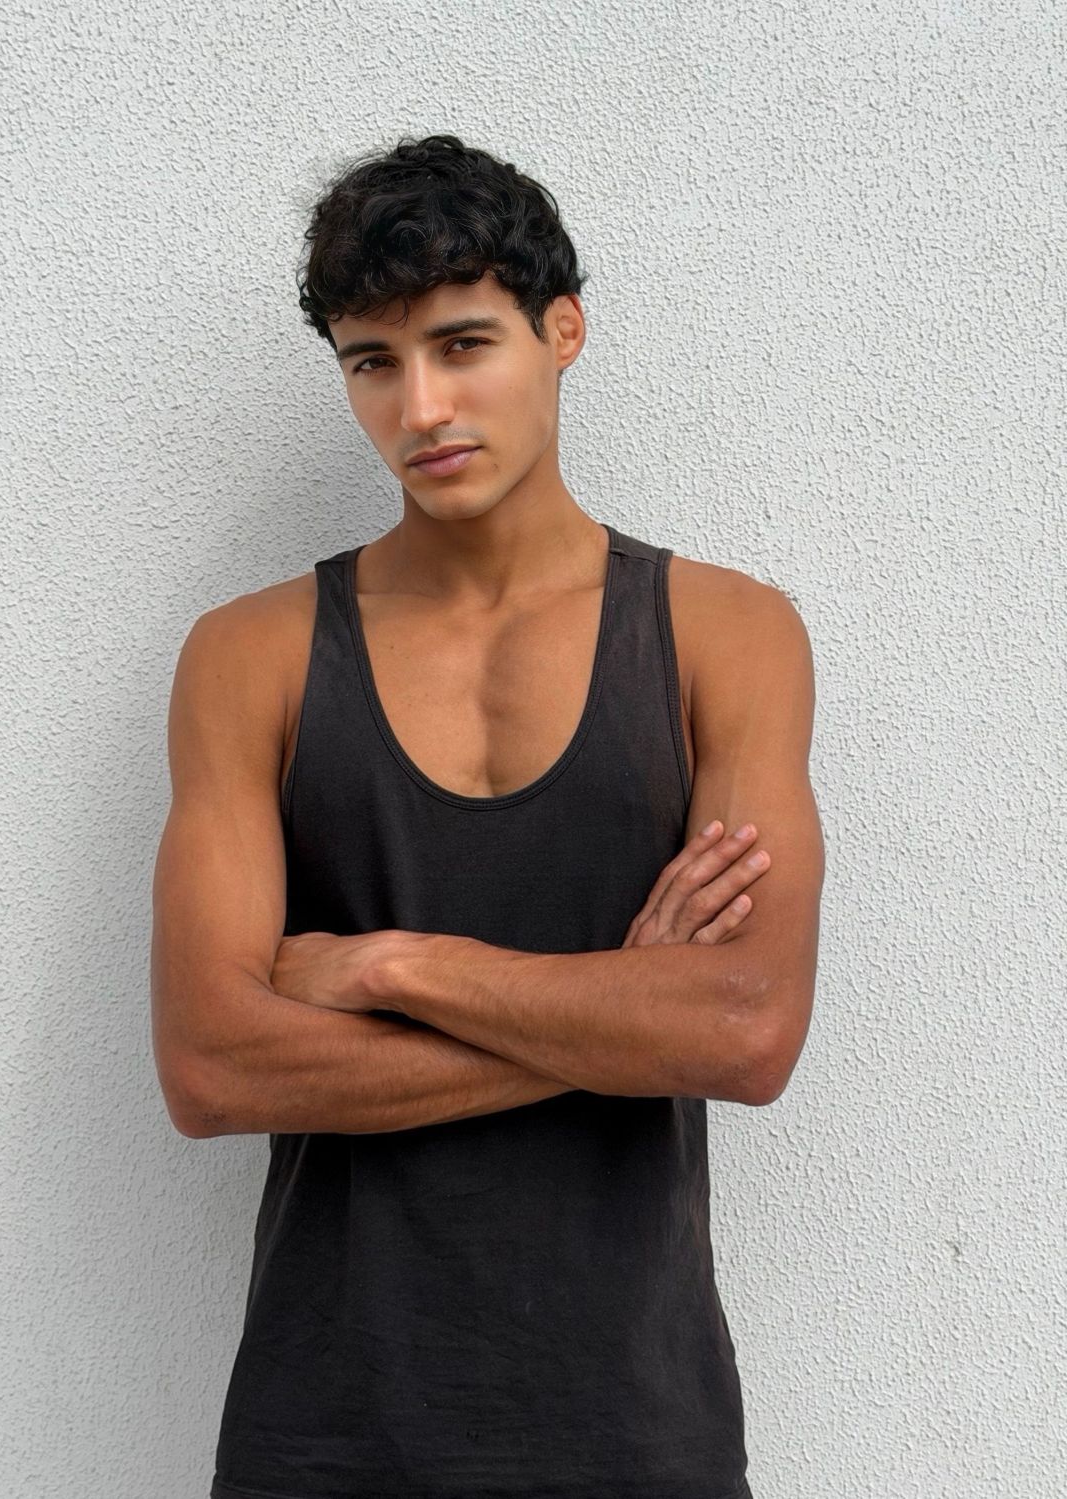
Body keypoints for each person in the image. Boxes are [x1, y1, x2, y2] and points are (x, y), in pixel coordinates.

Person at [151, 132, 825, 1499]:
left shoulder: (723, 633)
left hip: (635, 1431)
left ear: (561, 331)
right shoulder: (251, 654)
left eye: (463, 345)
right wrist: (626, 1013)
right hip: (324, 1434)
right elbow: (212, 1070)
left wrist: (397, 966)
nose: (421, 407)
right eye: (372, 362)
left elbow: (746, 1034)